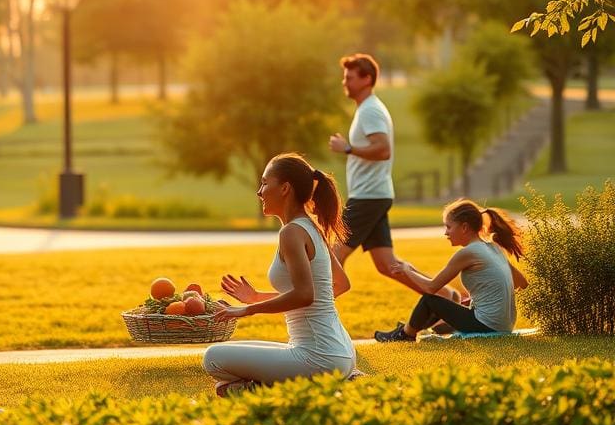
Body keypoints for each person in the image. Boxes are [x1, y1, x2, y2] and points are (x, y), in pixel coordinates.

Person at [202, 153, 356, 396]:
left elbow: (305, 295)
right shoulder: (312, 227)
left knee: (212, 358)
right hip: (342, 353)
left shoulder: (291, 233)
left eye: (264, 183)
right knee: (235, 353)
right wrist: (256, 297)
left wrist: (248, 310)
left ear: (285, 188)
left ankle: (265, 388)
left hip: (320, 358)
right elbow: (339, 285)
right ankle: (304, 383)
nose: (259, 191)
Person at [327, 53, 429, 294]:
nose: (344, 82)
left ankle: (321, 312)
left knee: (332, 254)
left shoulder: (370, 111)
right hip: (374, 194)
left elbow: (383, 150)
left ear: (367, 79)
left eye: (349, 77)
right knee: (387, 264)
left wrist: (348, 149)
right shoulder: (367, 109)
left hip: (368, 196)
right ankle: (447, 296)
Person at [375, 199, 528, 342]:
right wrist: (483, 298)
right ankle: (411, 328)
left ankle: (404, 335)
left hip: (487, 325)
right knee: (442, 314)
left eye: (449, 227)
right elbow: (522, 283)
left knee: (430, 301)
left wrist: (407, 270)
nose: (446, 233)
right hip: (505, 325)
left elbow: (431, 287)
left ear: (464, 227)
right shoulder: (493, 247)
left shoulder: (469, 252)